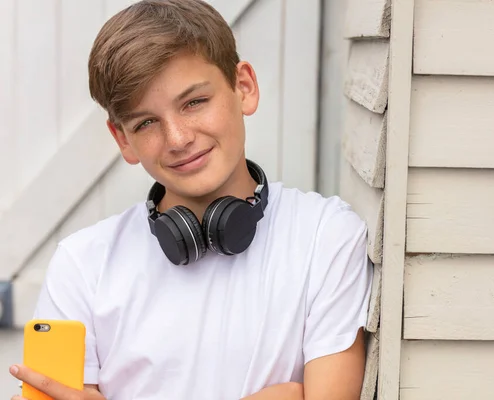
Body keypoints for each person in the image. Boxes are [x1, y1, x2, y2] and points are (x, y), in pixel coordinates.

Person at [8, 0, 373, 399]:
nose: (179, 139)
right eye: (146, 122)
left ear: (244, 88)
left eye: (194, 102)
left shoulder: (327, 236)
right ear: (123, 140)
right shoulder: (82, 265)